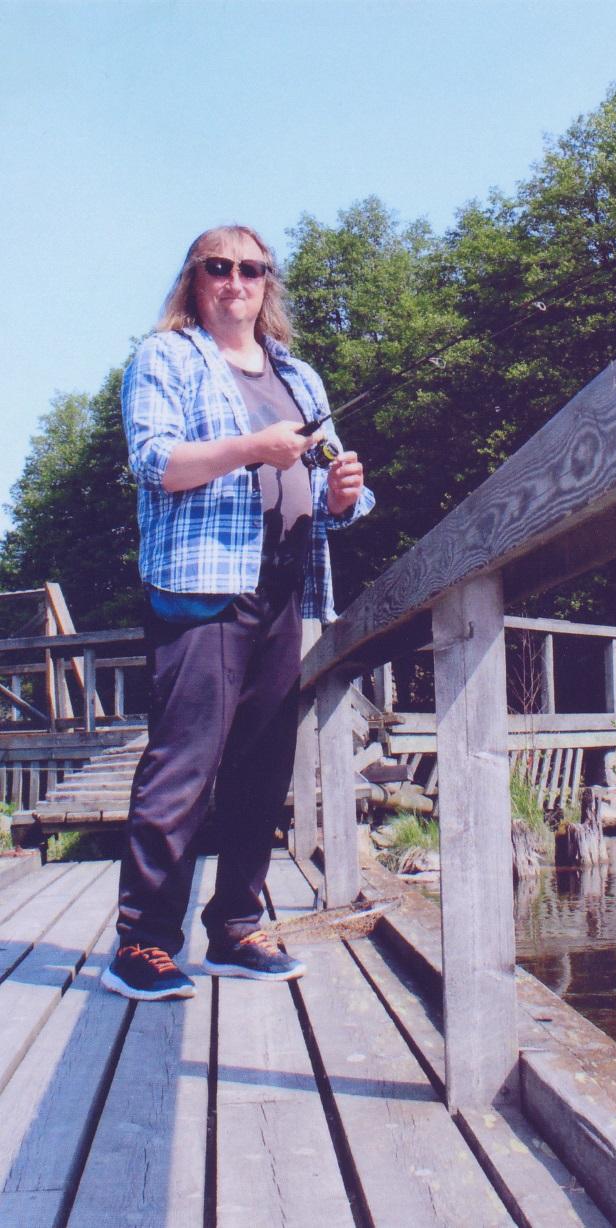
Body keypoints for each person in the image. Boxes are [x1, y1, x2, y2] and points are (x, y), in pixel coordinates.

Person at [102, 224, 374, 1001]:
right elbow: (154, 462)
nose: (236, 281)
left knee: (261, 767)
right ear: (194, 281)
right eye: (218, 267)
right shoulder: (165, 357)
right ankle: (143, 944)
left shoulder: (301, 378)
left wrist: (342, 495)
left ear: (267, 284)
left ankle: (236, 928)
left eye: (251, 269)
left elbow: (329, 486)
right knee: (182, 767)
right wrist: (252, 448)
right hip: (202, 591)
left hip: (286, 589)